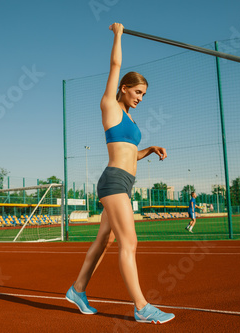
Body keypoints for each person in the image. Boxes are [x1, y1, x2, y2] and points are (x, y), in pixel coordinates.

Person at [65, 23, 175, 324]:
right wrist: (118, 34)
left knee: (106, 240)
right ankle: (141, 307)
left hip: (124, 182)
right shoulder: (110, 107)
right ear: (125, 87)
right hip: (113, 181)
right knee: (130, 243)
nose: (140, 97)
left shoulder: (128, 117)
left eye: (143, 95)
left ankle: (78, 290)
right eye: (138, 92)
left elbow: (128, 153)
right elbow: (115, 64)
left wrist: (149, 149)